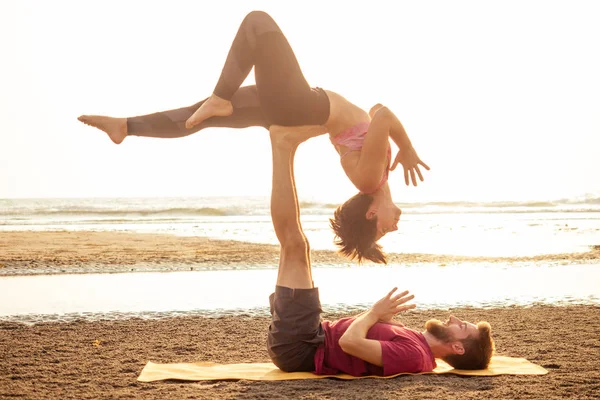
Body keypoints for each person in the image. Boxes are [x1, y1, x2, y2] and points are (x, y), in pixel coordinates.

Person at [78, 11, 430, 264]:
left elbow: (383, 116)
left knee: (257, 23)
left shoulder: (370, 179)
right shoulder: (377, 174)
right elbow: (377, 108)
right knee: (203, 116)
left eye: (383, 232)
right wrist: (397, 146)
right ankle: (126, 126)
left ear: (371, 216)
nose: (393, 228)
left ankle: (213, 97)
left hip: (300, 105)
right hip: (295, 108)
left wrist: (408, 147)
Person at [266, 126, 494, 375]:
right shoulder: (414, 341)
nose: (453, 318)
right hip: (309, 336)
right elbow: (356, 337)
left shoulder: (415, 356)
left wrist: (375, 313)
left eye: (461, 326)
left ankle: (283, 147)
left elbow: (348, 343)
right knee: (296, 245)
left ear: (457, 348)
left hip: (302, 347)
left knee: (295, 245)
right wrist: (378, 318)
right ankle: (284, 148)